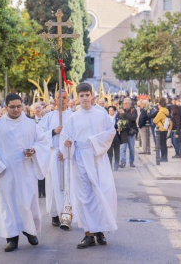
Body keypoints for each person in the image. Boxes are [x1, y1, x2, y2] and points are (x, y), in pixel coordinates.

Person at [0, 93, 50, 252]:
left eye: (19, 106)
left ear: (23, 106)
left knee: (27, 203)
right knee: (8, 205)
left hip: (26, 171)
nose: (16, 109)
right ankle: (11, 238)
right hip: (5, 174)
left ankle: (30, 232)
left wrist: (34, 150)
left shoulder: (30, 124)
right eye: (12, 107)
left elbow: (42, 142)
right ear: (5, 107)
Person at [60, 83, 117, 249]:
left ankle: (101, 231)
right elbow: (66, 137)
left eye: (87, 95)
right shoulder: (73, 118)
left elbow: (110, 132)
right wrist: (67, 143)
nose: (85, 98)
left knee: (102, 193)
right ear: (77, 98)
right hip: (81, 160)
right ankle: (88, 234)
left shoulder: (101, 115)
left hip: (98, 158)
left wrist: (94, 142)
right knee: (85, 197)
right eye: (81, 95)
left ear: (92, 96)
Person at [38, 90, 72, 227]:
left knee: (68, 185)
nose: (62, 100)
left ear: (68, 100)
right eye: (59, 98)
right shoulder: (49, 117)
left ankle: (66, 212)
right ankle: (54, 214)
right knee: (53, 185)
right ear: (54, 100)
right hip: (53, 154)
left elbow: (77, 136)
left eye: (64, 98)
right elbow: (39, 135)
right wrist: (53, 132)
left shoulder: (73, 116)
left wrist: (67, 150)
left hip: (68, 156)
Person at [119, 98, 138, 168]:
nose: (124, 105)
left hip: (131, 132)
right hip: (123, 132)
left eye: (126, 103)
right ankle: (123, 162)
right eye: (123, 103)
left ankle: (131, 162)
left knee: (131, 148)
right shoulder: (121, 110)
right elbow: (119, 119)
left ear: (129, 104)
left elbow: (133, 118)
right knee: (123, 148)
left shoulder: (133, 110)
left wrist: (124, 114)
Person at [153, 98, 173, 162]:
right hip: (165, 128)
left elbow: (155, 120)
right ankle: (165, 157)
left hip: (161, 129)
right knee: (164, 143)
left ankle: (163, 157)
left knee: (162, 144)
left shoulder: (160, 112)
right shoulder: (166, 111)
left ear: (160, 105)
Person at [107, 106, 121, 170]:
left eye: (111, 110)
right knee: (109, 152)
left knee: (116, 151)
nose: (110, 111)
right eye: (109, 110)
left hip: (116, 136)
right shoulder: (106, 118)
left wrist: (120, 128)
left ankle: (116, 164)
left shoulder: (118, 118)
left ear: (115, 111)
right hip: (109, 136)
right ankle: (109, 165)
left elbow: (122, 125)